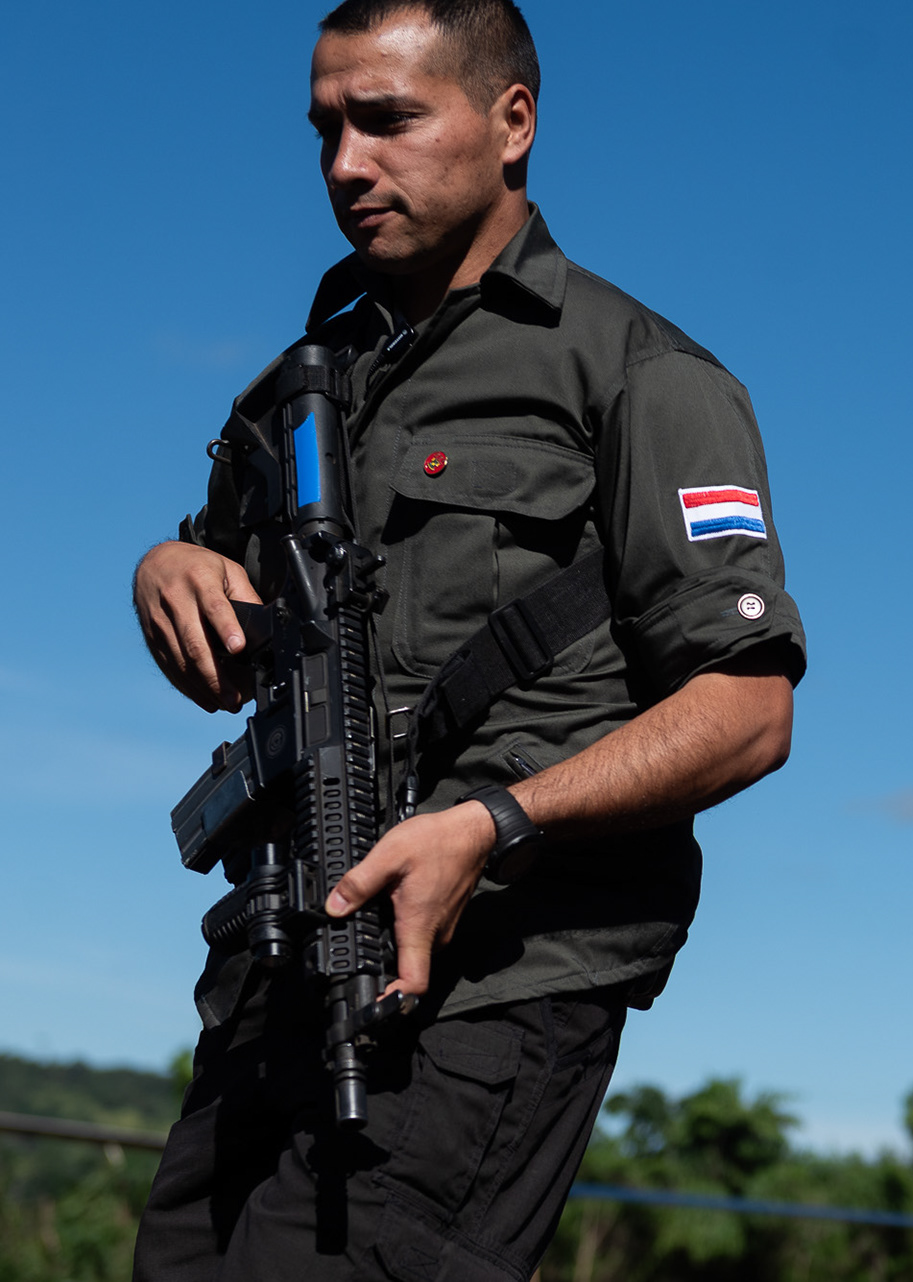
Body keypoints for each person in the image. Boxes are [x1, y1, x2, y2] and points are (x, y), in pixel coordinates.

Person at [130, 2, 805, 1277]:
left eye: (386, 119)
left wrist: (489, 822)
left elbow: (748, 708)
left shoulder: (639, 374)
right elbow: (216, 588)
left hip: (488, 987)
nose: (343, 163)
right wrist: (165, 572)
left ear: (512, 122)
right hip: (280, 966)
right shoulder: (305, 382)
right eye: (326, 126)